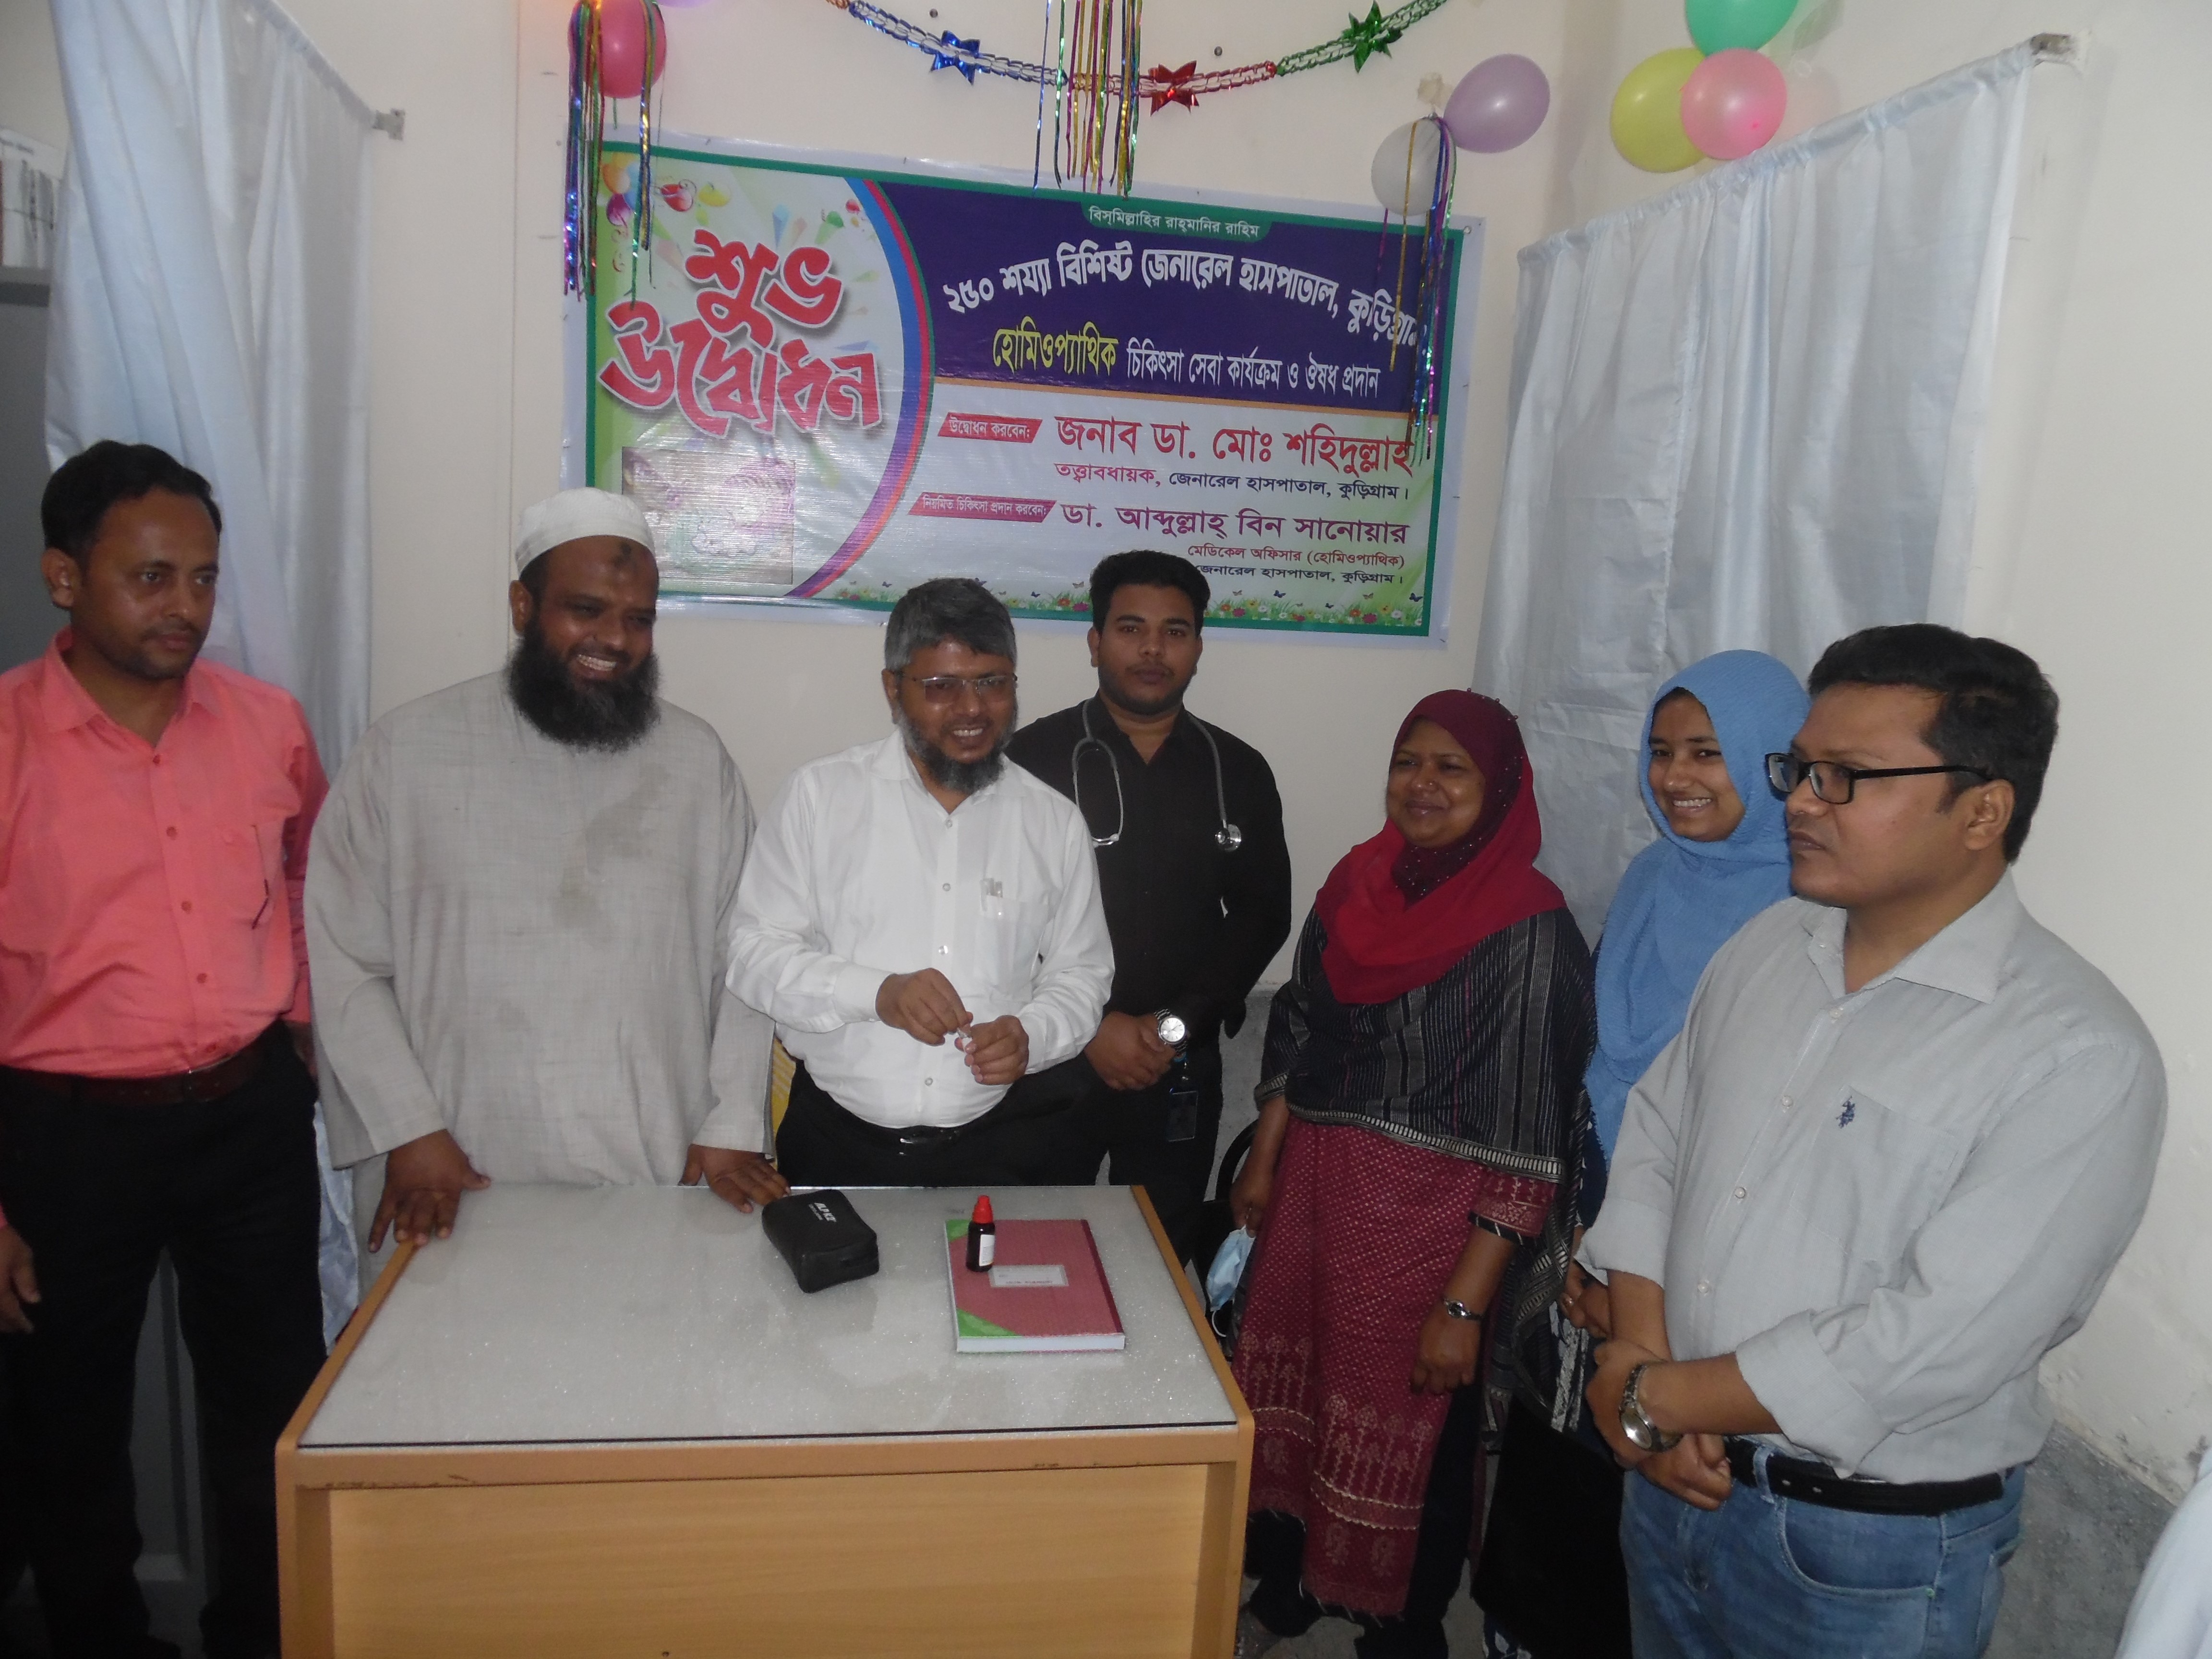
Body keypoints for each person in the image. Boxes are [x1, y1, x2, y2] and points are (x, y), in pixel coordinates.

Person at [1582, 624, 2165, 1659]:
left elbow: (1942, 1334)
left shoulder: (2073, 1050)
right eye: (1800, 768)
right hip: (1675, 1480)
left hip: (1858, 1551)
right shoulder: (1768, 944)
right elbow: (1659, 1138)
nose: (1802, 801)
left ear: (1982, 810)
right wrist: (1638, 1350)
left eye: (1847, 776)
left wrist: (1658, 1392)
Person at [0, 442, 328, 1659]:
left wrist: (300, 1014)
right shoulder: (7, 741)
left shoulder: (265, 724)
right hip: (63, 1133)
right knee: (66, 1424)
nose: (184, 606)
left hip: (248, 1117)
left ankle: (264, 1637)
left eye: (201, 578)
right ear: (64, 578)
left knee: (275, 1406)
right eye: (151, 578)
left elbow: (308, 874)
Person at [308, 487, 781, 1289]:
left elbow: (744, 958)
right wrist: (409, 1130)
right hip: (451, 1171)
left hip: (650, 1159)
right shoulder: (405, 751)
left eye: (638, 619)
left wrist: (732, 1122)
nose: (614, 640)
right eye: (585, 610)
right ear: (523, 605)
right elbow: (346, 958)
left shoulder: (697, 763)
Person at [1228, 692, 1596, 1659]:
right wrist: (1263, 1160)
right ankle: (1290, 1591)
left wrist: (1465, 1307)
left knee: (1413, 1430)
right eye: (1408, 762)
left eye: (1450, 768)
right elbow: (1298, 1025)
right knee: (1297, 1400)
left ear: (1499, 788)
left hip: (1432, 1232)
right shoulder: (1356, 883)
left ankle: (1400, 1628)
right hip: (1311, 1197)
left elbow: (1530, 1143)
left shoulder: (1528, 932)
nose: (1422, 785)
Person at [1476, 651, 1807, 1659]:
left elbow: (1755, 1136)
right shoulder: (1654, 876)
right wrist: (1584, 1248)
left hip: (1700, 1269)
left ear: (1775, 760)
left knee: (1653, 1527)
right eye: (1661, 751)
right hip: (1594, 1225)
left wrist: (1636, 1288)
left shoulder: (1804, 917)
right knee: (1557, 1488)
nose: (1675, 777)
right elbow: (1607, 1074)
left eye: (1708, 752)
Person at [729, 578, 1112, 1187]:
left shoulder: (1053, 823)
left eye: (992, 683)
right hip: (836, 1140)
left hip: (1005, 1145)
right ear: (893, 688)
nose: (972, 709)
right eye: (941, 686)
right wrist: (876, 993)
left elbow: (1082, 975)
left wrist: (1031, 1036)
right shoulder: (819, 799)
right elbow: (753, 954)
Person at [1006, 551, 1291, 1259]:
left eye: (1175, 632)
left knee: (1160, 1256)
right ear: (1095, 641)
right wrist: (1090, 1026)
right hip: (1054, 1057)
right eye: (1131, 629)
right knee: (1034, 1249)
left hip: (1177, 1065)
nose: (1153, 650)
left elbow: (1261, 915)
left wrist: (1173, 1028)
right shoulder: (1030, 762)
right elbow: (1000, 913)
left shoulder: (1238, 770)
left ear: (1198, 647)